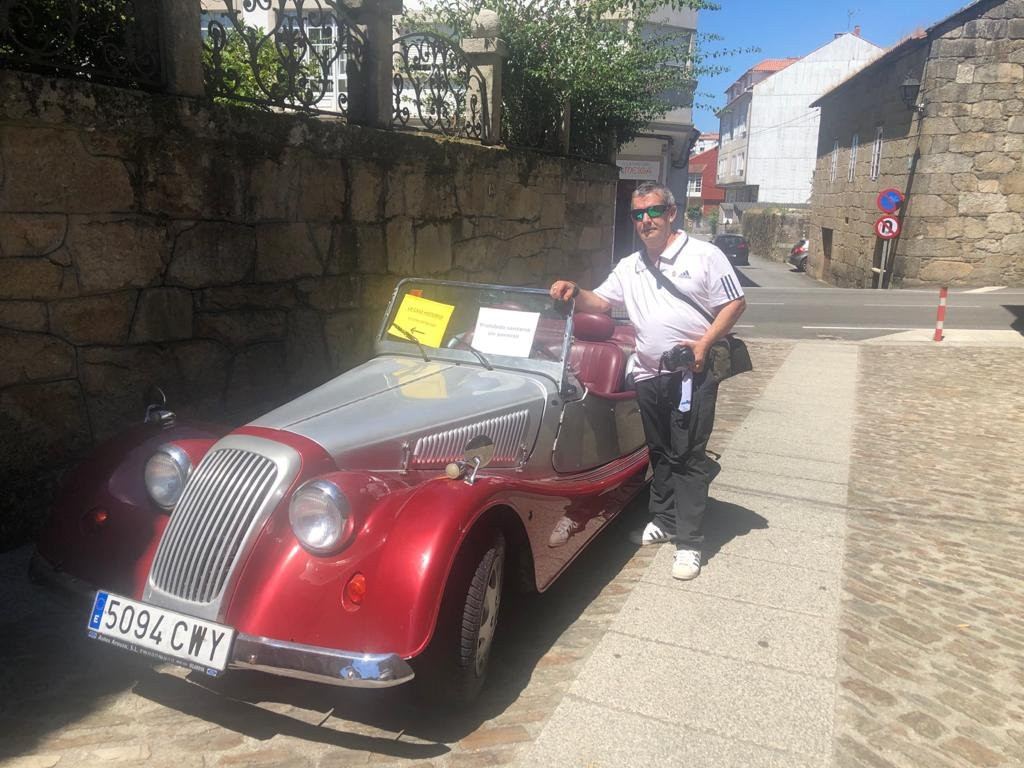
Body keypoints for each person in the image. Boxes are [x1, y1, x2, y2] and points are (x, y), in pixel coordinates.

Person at [549, 182, 746, 580]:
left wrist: (705, 343)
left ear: (671, 213)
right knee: (659, 450)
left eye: (653, 211)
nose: (645, 221)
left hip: (691, 373)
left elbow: (735, 303)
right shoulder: (630, 265)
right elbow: (602, 301)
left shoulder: (705, 255)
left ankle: (690, 542)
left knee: (688, 454)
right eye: (638, 214)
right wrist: (573, 291)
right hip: (649, 373)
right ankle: (665, 518)